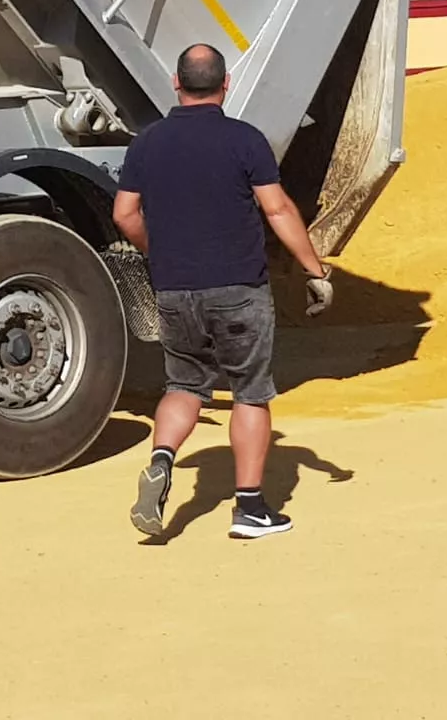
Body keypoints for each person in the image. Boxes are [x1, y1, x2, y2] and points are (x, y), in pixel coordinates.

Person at [113, 43, 333, 540]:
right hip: (238, 289)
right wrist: (314, 270)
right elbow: (277, 211)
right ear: (225, 84)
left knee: (183, 385)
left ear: (176, 83)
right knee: (250, 394)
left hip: (174, 289)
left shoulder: (147, 143)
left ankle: (163, 459)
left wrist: (158, 252)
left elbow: (125, 214)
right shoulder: (245, 140)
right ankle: (251, 508)